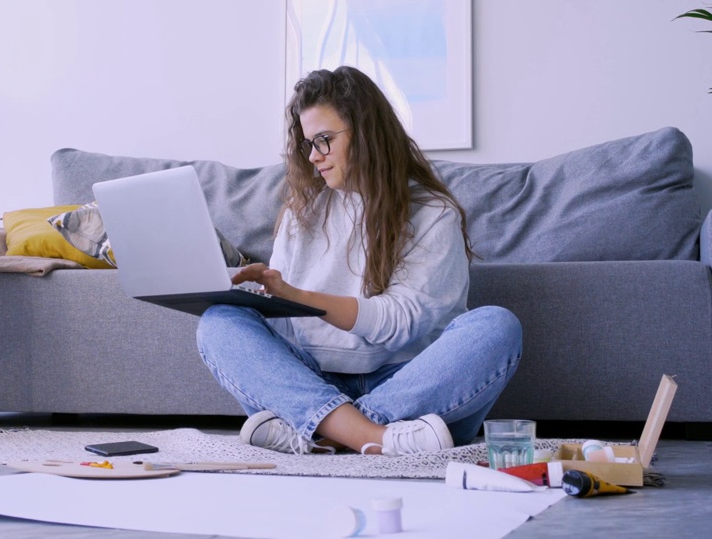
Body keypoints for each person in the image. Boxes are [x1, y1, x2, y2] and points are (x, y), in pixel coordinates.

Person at [196, 66, 522, 456]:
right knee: (219, 322)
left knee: (496, 326)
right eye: (308, 144)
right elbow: (285, 331)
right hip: (317, 381)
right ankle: (378, 439)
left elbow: (402, 322)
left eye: (324, 140)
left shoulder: (433, 214)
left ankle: (324, 434)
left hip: (407, 386)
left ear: (366, 133)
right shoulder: (303, 211)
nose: (314, 156)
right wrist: (256, 296)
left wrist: (298, 296)